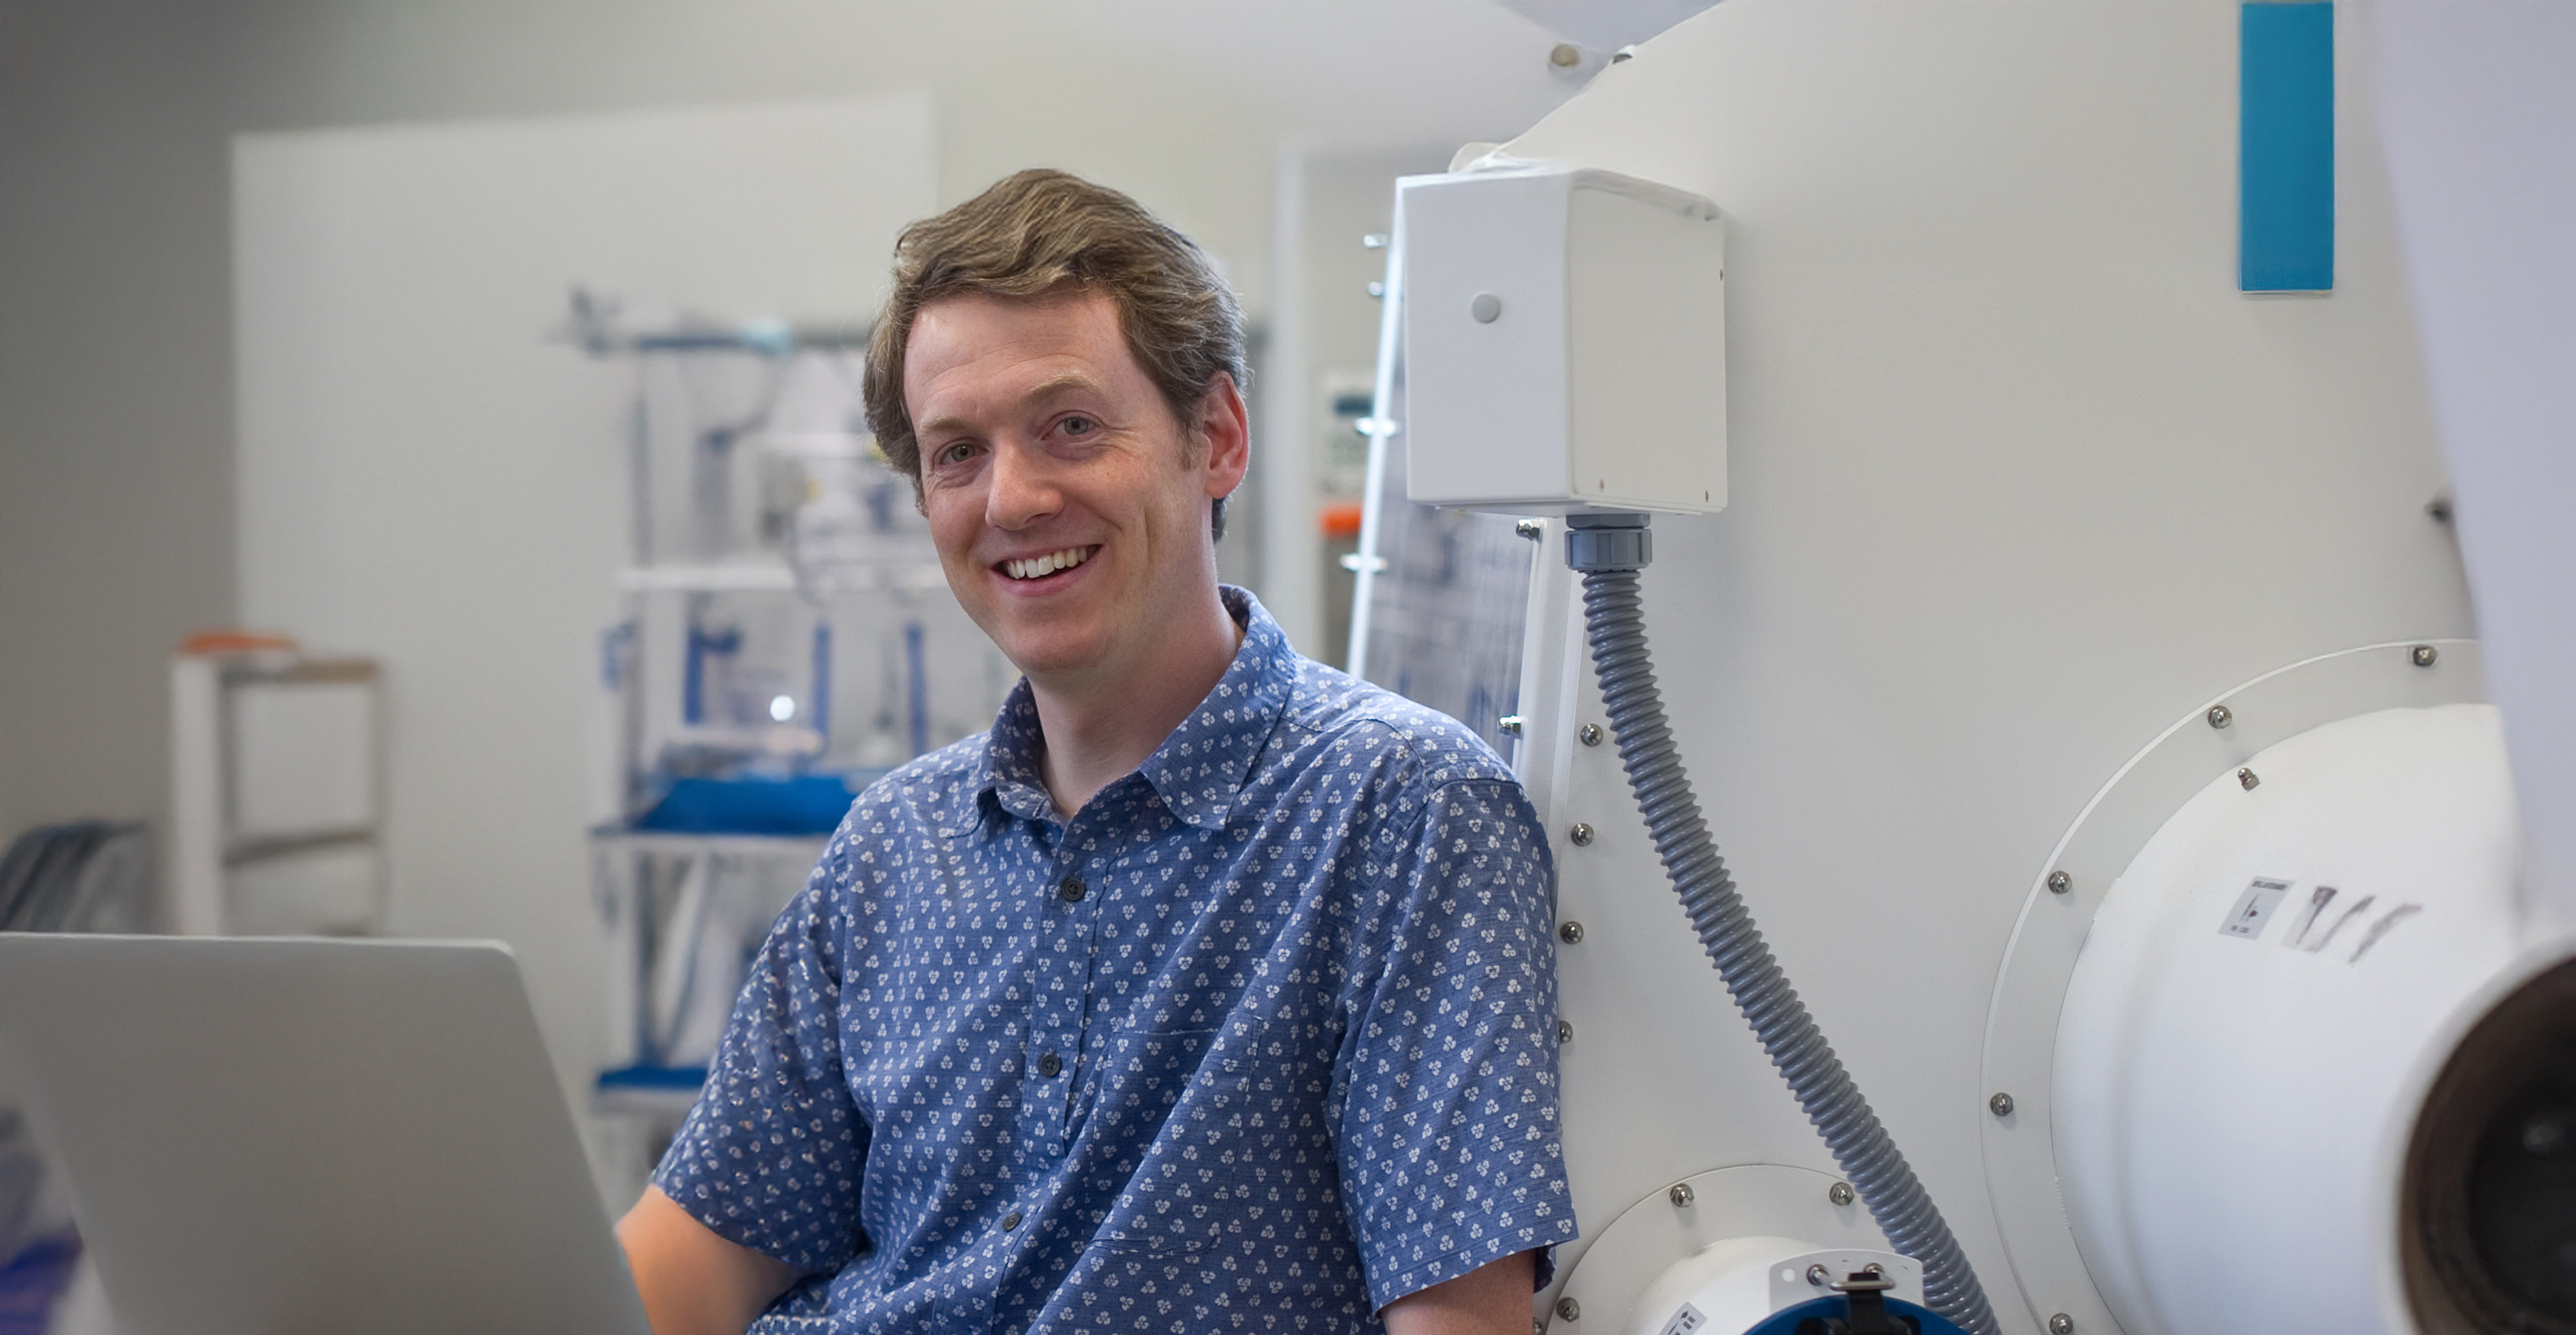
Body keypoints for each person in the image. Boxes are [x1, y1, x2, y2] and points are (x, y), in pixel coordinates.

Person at [615, 169, 1576, 1335]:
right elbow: (694, 1258)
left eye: (1069, 426)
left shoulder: (1402, 813)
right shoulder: (893, 846)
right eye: (956, 453)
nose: (1012, 500)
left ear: (1215, 438)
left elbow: (1460, 1321)